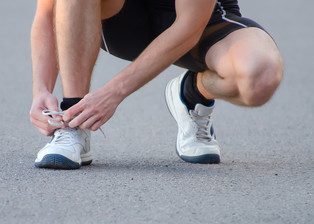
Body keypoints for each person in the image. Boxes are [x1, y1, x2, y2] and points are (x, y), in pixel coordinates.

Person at [30, 0, 283, 169]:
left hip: (200, 23)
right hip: (118, 22)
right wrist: (41, 90)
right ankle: (73, 121)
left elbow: (189, 28)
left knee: (260, 78)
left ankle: (192, 94)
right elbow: (47, 13)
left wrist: (113, 93)